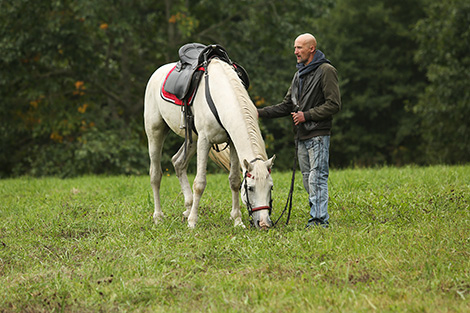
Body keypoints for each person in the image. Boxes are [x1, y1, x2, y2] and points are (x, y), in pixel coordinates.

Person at [257, 33, 341, 228]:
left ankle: (319, 221)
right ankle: (316, 215)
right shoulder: (299, 75)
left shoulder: (326, 70)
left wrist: (307, 115)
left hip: (319, 134)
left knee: (317, 178)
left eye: (299, 48)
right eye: (295, 48)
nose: (295, 52)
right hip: (302, 136)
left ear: (311, 48)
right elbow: (287, 105)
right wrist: (258, 113)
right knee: (307, 180)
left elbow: (334, 104)